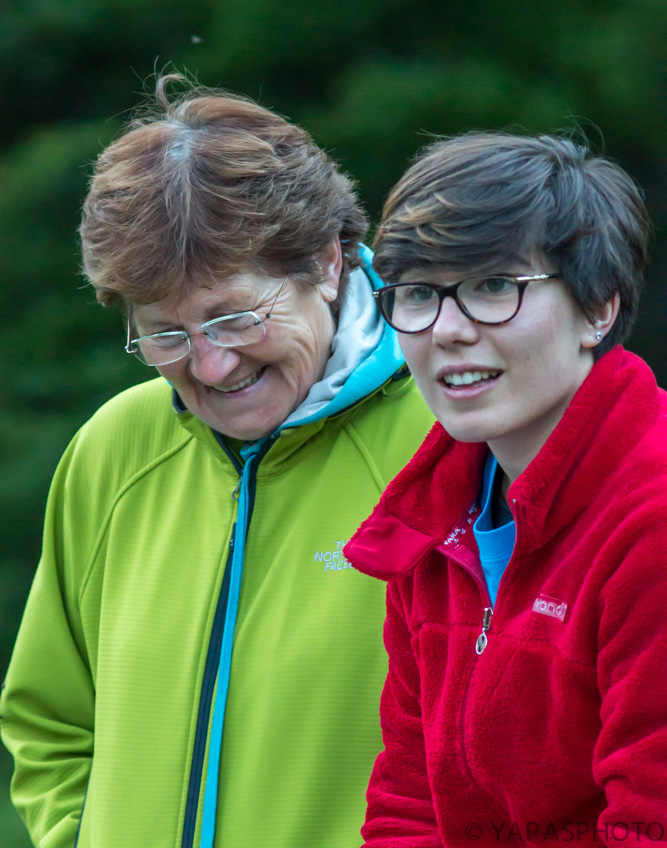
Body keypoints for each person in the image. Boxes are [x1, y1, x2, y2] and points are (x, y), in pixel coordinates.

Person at [0, 76, 432, 848]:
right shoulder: (112, 449)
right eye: (164, 334)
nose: (209, 365)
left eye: (232, 317)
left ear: (329, 264)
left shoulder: (451, 440)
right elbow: (49, 719)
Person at [344, 133, 667, 846]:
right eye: (419, 294)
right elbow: (408, 803)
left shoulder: (652, 521)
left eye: (494, 287)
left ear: (598, 310)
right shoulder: (430, 520)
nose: (448, 331)